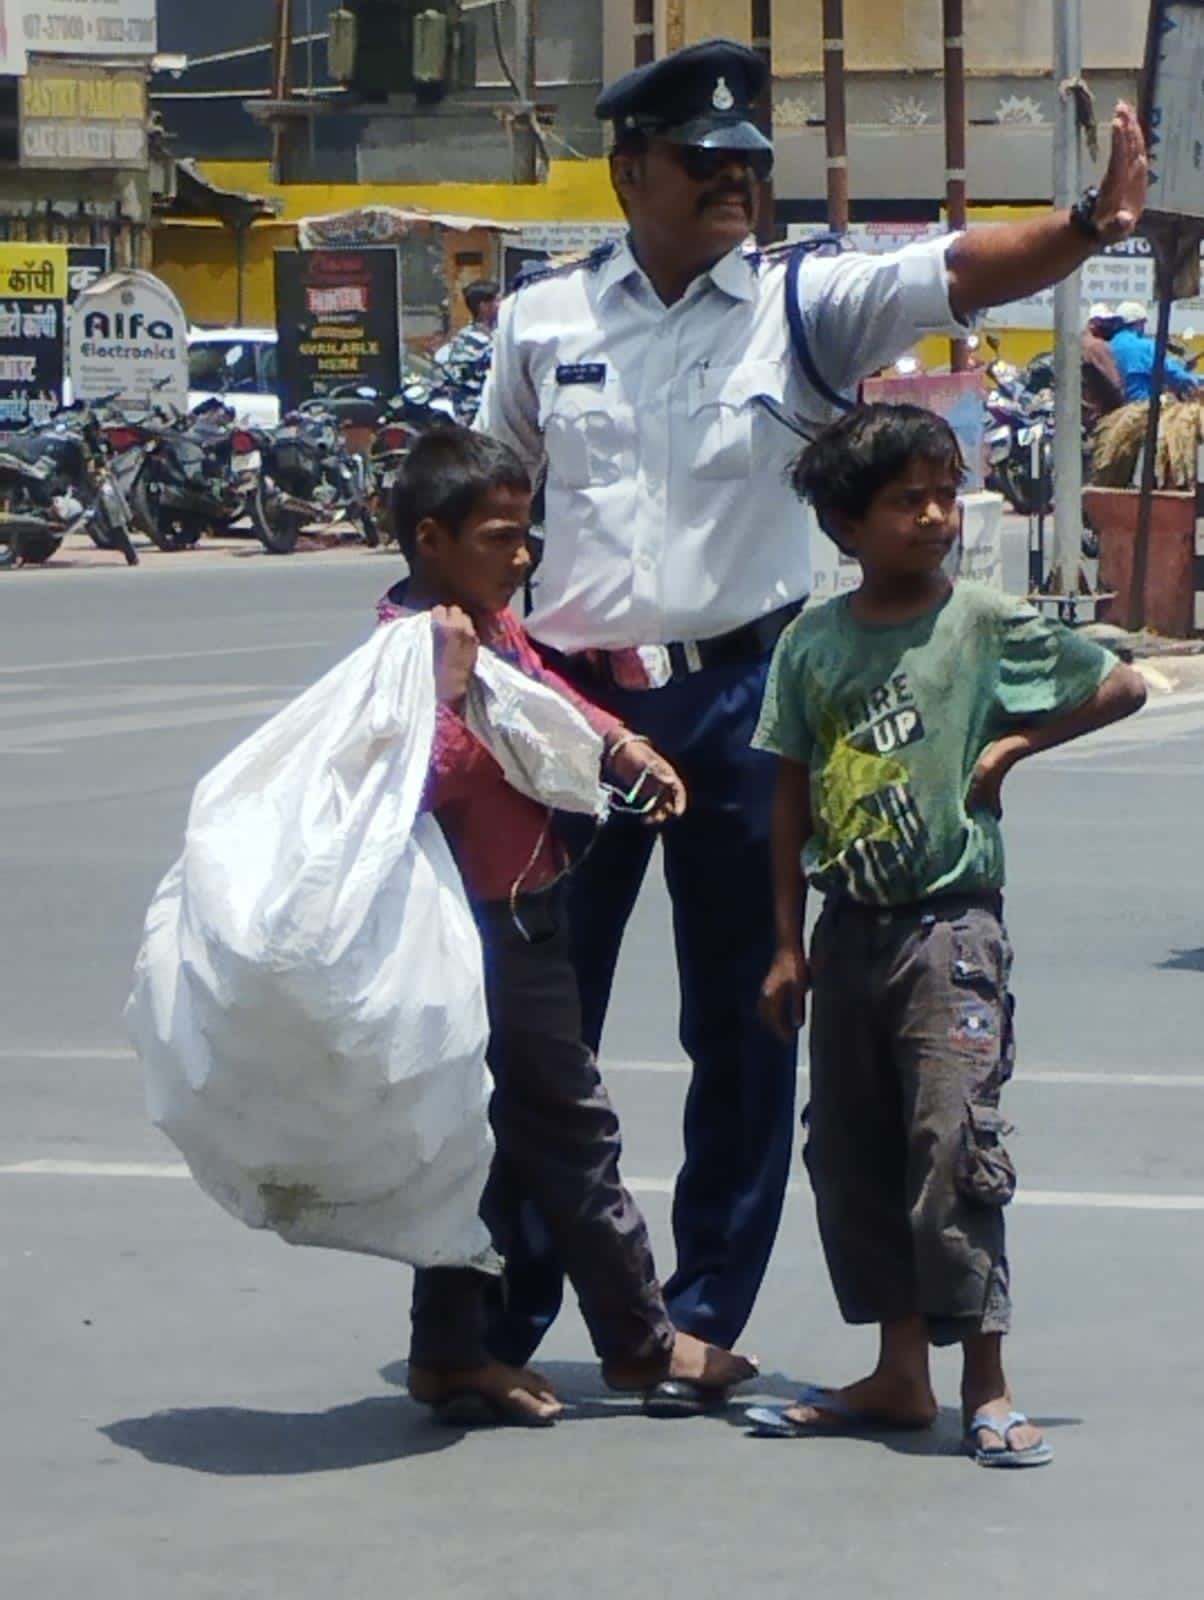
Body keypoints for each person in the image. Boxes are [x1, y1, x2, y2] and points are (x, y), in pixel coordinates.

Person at [475, 34, 1149, 1415]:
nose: (734, 182)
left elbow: (957, 268)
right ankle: (510, 1309)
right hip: (576, 708)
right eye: (705, 161)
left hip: (743, 701)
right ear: (631, 170)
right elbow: (501, 500)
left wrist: (1085, 226)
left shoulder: (801, 306)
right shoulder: (540, 322)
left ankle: (700, 1317)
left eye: (747, 164)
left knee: (745, 1020)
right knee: (543, 1027)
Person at [747, 404, 1146, 1465]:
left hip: (949, 928)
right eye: (904, 500)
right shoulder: (811, 643)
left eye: (941, 493)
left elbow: (1122, 682)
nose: (932, 516)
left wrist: (1013, 744)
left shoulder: (976, 619)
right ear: (845, 524)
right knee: (851, 1151)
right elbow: (786, 792)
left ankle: (987, 1378)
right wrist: (787, 944)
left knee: (953, 1145)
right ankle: (897, 1371)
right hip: (849, 930)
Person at [378, 426, 757, 1426]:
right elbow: (417, 782)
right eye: (500, 537)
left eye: (524, 534)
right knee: (569, 1130)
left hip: (525, 907)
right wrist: (451, 693)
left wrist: (622, 742)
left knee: (487, 1144)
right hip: (485, 930)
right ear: (430, 536)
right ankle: (638, 1338)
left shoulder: (487, 625)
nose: (522, 556)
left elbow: (542, 691)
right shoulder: (413, 647)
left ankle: (450, 1351)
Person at [1108, 299, 1201, 401]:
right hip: (1142, 405)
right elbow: (1171, 373)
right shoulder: (1144, 346)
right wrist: (1193, 380)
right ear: (1139, 322)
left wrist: (1183, 366)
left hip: (1117, 406)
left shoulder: (1109, 345)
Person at [440, 280, 500, 423]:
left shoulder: (499, 335)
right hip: (474, 418)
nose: (502, 305)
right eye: (497, 300)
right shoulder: (467, 341)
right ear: (484, 306)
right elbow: (464, 381)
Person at [1081, 301, 1125, 430]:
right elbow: (1114, 384)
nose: (1108, 326)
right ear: (1092, 324)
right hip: (1098, 414)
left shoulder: (1078, 342)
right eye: (1104, 322)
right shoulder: (1097, 346)